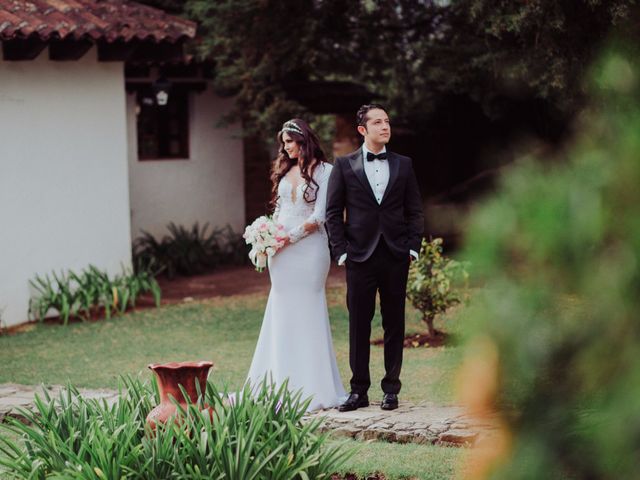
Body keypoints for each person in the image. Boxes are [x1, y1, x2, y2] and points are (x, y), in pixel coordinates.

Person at [325, 104, 424, 411]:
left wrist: (412, 247)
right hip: (359, 257)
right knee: (359, 325)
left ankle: (391, 389)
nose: (385, 126)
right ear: (362, 130)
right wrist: (341, 252)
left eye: (387, 121)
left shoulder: (404, 164)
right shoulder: (344, 165)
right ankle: (359, 391)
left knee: (395, 323)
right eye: (378, 122)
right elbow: (332, 212)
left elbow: (415, 210)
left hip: (396, 256)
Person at [246, 119, 346, 411]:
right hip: (280, 254)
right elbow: (279, 210)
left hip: (309, 252)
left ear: (305, 141)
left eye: (290, 141)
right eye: (284, 142)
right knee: (282, 310)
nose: (285, 147)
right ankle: (279, 382)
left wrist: (286, 239)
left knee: (308, 310)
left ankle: (313, 387)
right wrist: (265, 238)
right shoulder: (285, 170)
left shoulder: (326, 172)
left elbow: (320, 216)